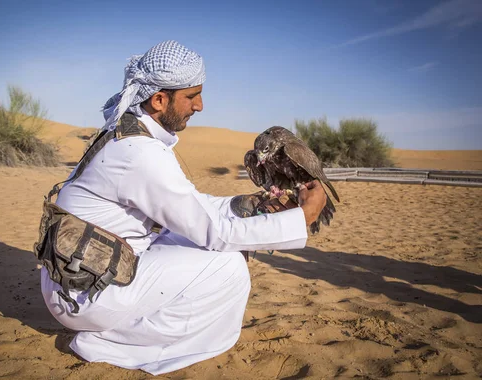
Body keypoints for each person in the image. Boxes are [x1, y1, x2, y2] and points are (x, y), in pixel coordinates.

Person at [40, 40, 327, 375]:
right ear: (160, 99)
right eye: (192, 96)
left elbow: (189, 207)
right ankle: (109, 342)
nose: (201, 106)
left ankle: (124, 331)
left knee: (199, 241)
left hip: (85, 273)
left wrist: (245, 204)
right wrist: (303, 217)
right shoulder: (139, 153)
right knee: (228, 265)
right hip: (86, 293)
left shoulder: (128, 137)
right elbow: (212, 230)